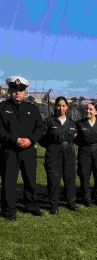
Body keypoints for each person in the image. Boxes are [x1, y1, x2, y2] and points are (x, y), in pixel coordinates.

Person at [0, 76, 44, 221]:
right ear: (9, 91)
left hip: (28, 150)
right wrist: (14, 139)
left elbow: (39, 128)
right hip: (9, 150)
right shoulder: (2, 108)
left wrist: (30, 140)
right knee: (9, 181)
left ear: (24, 92)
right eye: (14, 89)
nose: (17, 92)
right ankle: (9, 210)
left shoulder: (32, 108)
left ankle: (31, 205)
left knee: (30, 180)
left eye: (20, 90)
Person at [38, 96, 78, 214]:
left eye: (63, 106)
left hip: (69, 153)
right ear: (55, 107)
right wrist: (50, 146)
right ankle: (53, 204)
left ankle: (71, 202)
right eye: (59, 105)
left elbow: (76, 137)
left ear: (67, 107)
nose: (61, 108)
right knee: (53, 180)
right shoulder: (49, 121)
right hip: (53, 152)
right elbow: (40, 137)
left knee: (70, 178)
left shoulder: (71, 123)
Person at [75, 103, 97, 206]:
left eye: (91, 109)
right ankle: (86, 198)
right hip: (84, 151)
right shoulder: (79, 124)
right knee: (84, 176)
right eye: (86, 109)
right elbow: (76, 139)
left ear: (96, 111)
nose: (88, 111)